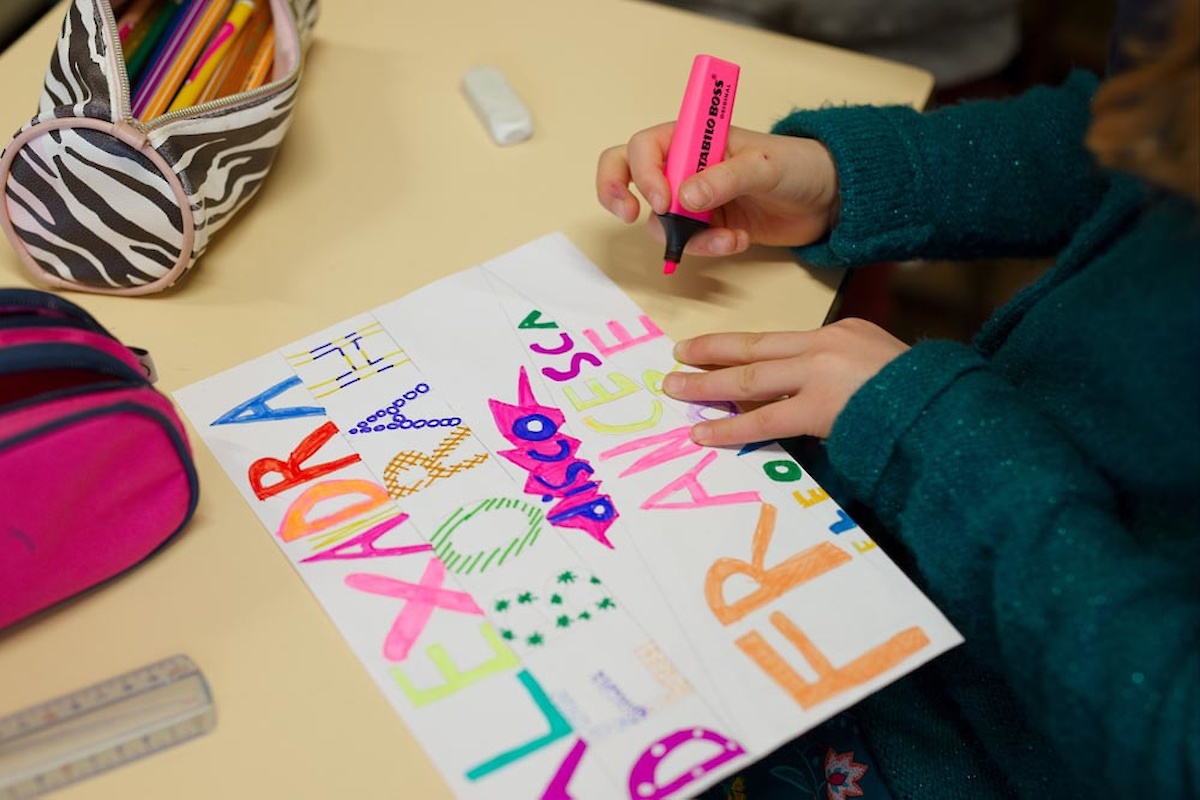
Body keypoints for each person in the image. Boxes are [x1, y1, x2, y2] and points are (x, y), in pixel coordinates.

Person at [594, 0, 1199, 796]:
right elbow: (1132, 135)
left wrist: (930, 437)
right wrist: (847, 178)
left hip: (986, 738)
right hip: (914, 562)